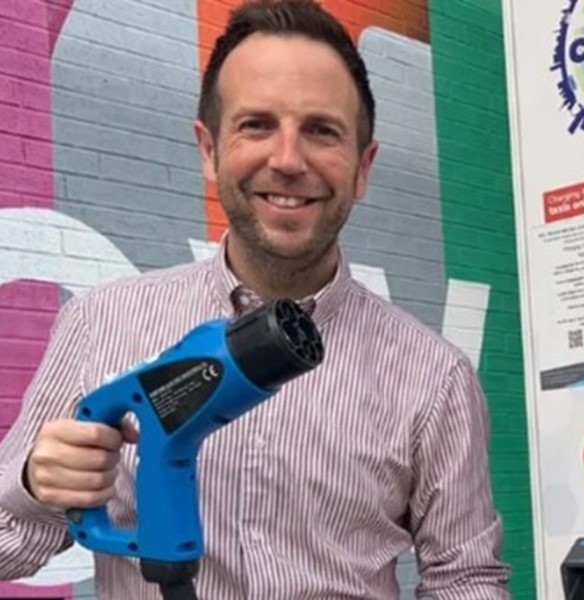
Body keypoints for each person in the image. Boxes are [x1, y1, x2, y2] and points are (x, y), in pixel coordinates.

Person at [0, 1, 510, 598]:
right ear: (209, 149)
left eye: (321, 130)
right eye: (256, 124)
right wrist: (37, 485)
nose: (288, 160)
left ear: (363, 168)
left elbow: (466, 579)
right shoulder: (102, 323)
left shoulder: (435, 376)